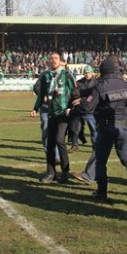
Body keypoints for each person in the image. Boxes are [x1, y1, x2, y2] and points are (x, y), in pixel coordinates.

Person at [69, 55, 127, 200]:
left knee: (100, 160)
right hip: (123, 127)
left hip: (106, 127)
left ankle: (102, 191)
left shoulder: (101, 86)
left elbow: (87, 107)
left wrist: (73, 110)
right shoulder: (124, 83)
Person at [30, 51, 77, 183]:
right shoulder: (45, 76)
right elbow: (41, 94)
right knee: (50, 143)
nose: (53, 60)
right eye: (51, 58)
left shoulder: (67, 75)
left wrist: (72, 107)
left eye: (56, 58)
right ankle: (51, 173)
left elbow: (75, 91)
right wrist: (35, 108)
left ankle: (65, 172)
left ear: (60, 60)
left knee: (59, 140)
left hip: (63, 113)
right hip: (51, 113)